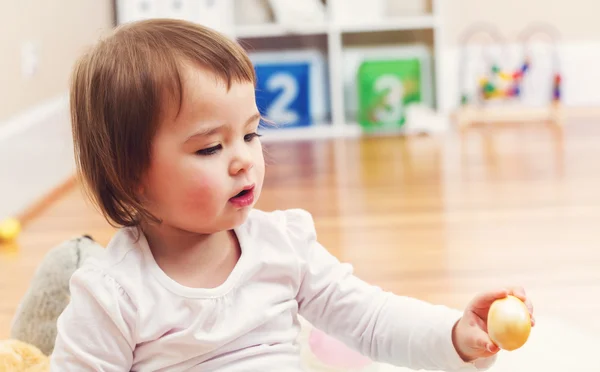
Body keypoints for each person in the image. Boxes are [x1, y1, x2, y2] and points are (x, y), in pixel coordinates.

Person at [50, 18, 534, 371]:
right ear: (131, 174)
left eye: (251, 135)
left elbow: (371, 320)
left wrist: (455, 334)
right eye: (212, 147)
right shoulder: (114, 295)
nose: (243, 160)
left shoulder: (283, 245)